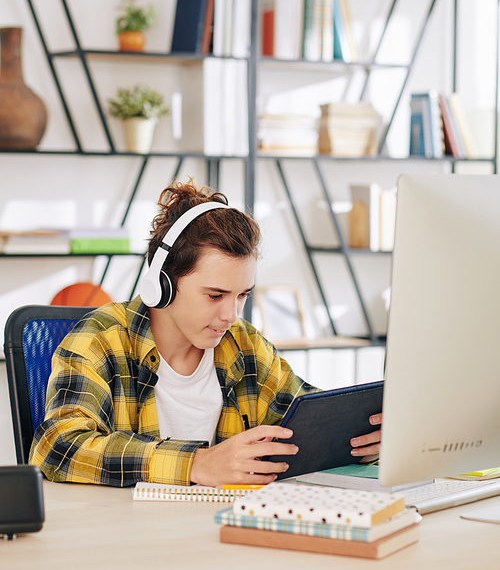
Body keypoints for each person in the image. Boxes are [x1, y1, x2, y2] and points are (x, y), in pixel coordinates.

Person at [29, 180, 381, 487]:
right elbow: (58, 446)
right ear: (162, 284)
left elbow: (309, 419)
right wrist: (198, 464)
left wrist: (365, 437)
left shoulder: (244, 345)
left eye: (242, 295)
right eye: (215, 295)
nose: (230, 315)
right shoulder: (100, 340)